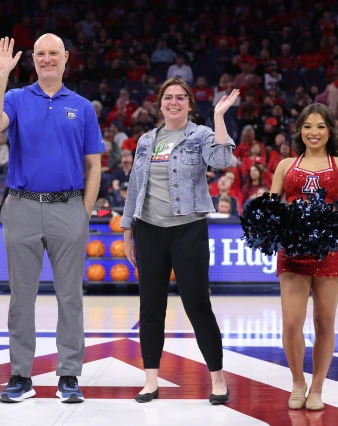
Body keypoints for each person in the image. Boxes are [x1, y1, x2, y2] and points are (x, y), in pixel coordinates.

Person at [0, 35, 104, 404]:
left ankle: (68, 375)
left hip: (68, 207)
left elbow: (94, 164)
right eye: (40, 54)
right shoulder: (17, 98)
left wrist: (82, 212)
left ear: (66, 58)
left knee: (71, 297)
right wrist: (1, 74)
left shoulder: (82, 107)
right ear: (32, 60)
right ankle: (21, 376)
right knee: (22, 297)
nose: (47, 59)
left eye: (53, 53)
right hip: (21, 205)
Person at [121, 76, 239, 404]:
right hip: (147, 230)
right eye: (168, 97)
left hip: (188, 229)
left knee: (198, 305)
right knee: (150, 308)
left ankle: (217, 380)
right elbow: (135, 186)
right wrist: (128, 229)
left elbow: (222, 160)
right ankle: (150, 380)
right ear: (160, 104)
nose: (174, 102)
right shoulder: (146, 140)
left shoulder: (200, 134)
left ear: (189, 103)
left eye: (181, 97)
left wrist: (219, 117)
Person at [269, 103, 338, 411]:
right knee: (292, 323)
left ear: (330, 131)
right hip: (293, 250)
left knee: (324, 321)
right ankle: (298, 382)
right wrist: (267, 215)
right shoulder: (285, 165)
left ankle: (317, 387)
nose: (314, 132)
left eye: (320, 126)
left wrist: (326, 226)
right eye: (308, 126)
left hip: (329, 248)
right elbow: (271, 205)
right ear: (300, 131)